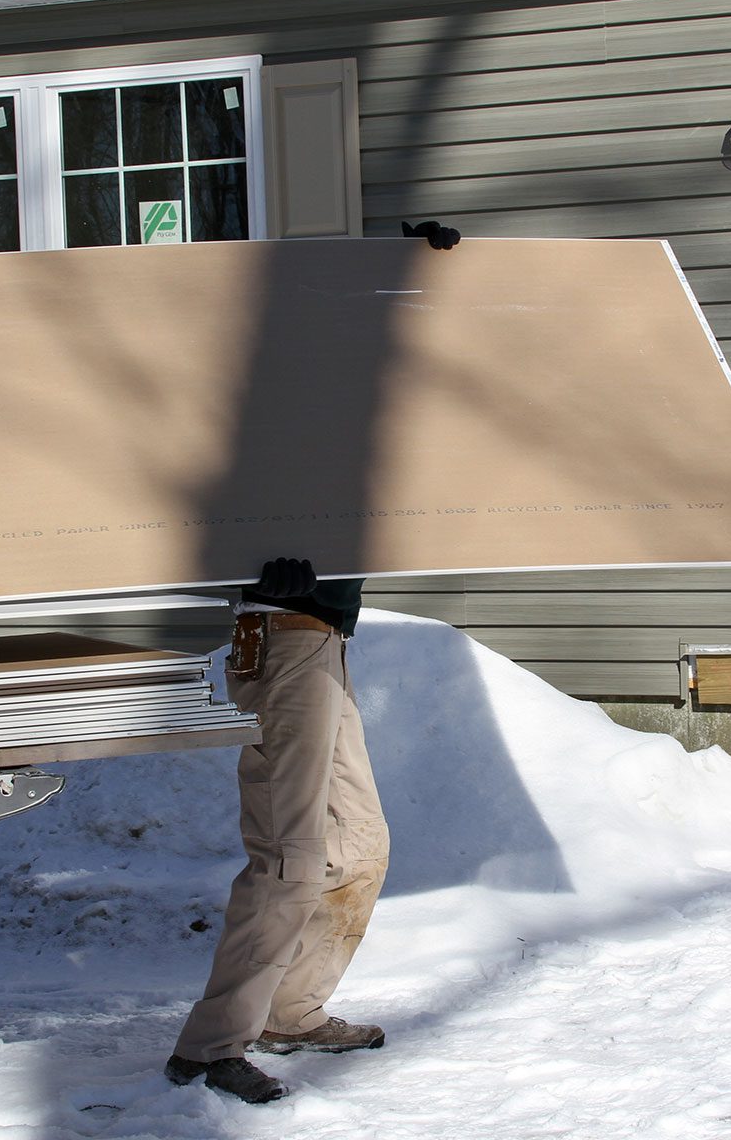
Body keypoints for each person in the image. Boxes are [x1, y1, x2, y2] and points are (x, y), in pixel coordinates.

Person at [165, 222, 461, 1105]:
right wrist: (257, 561)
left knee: (360, 845)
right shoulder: (268, 396)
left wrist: (408, 265)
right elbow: (214, 482)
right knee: (292, 856)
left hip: (323, 637)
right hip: (279, 633)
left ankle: (290, 1009)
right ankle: (210, 1047)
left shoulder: (344, 403)